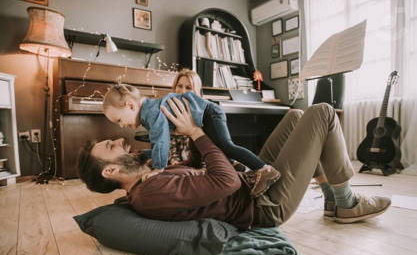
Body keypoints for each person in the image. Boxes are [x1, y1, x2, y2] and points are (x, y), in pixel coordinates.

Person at [77, 99, 391, 229]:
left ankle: (333, 203)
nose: (120, 139)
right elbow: (224, 182)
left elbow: (198, 168)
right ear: (110, 170)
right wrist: (197, 132)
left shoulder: (149, 179)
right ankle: (345, 202)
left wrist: (188, 127)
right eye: (110, 146)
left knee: (295, 116)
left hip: (256, 181)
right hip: (266, 203)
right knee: (322, 112)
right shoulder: (151, 193)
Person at [102, 72, 279, 197]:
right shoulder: (149, 110)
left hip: (210, 113)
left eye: (119, 120)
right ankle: (234, 166)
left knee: (226, 146)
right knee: (207, 148)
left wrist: (158, 167)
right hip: (204, 115)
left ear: (131, 106)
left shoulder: (150, 113)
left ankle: (265, 170)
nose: (122, 125)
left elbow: (160, 141)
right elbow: (163, 142)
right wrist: (148, 156)